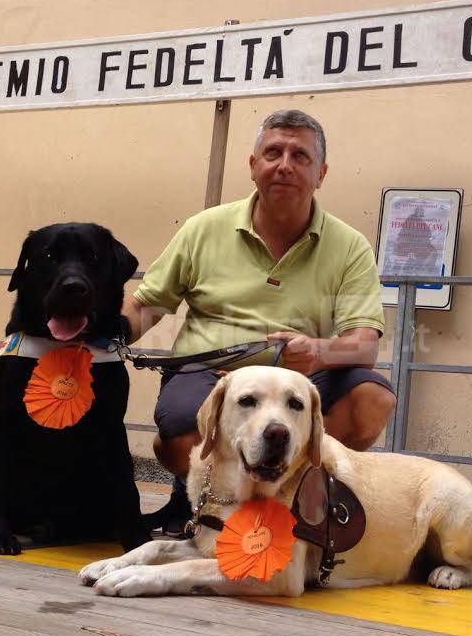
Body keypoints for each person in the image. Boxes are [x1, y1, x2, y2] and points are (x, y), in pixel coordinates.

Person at [123, 109, 397, 534]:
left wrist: (319, 352)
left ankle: (300, 499)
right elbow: (146, 306)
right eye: (273, 152)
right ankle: (204, 501)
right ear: (253, 166)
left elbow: (364, 345)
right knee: (180, 431)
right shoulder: (202, 229)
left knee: (372, 399)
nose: (285, 165)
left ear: (320, 173)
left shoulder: (350, 247)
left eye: (300, 156)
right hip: (212, 376)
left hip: (300, 382)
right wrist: (96, 336)